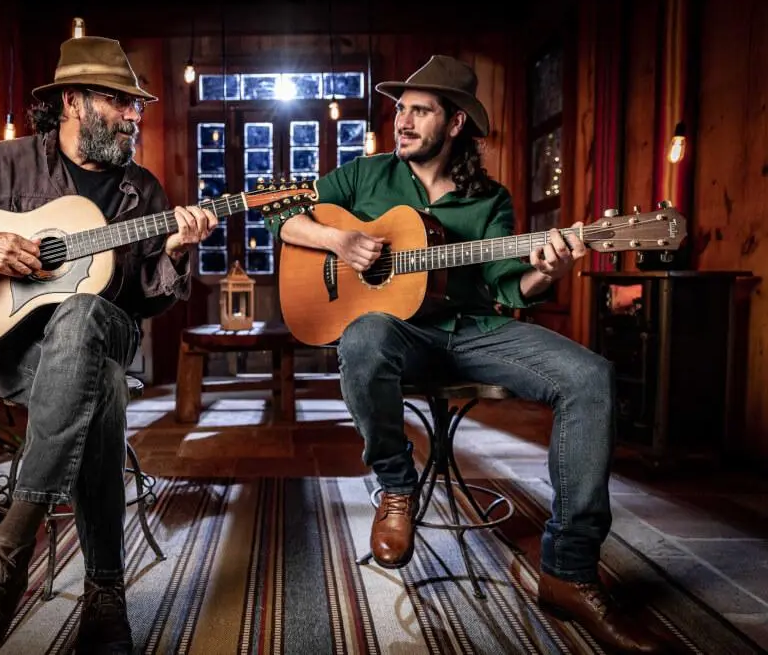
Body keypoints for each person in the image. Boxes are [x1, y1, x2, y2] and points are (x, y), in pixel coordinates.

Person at [268, 56, 663, 653]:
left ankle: (569, 570)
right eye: (400, 109)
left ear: (455, 124)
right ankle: (396, 488)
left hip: (472, 331)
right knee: (364, 334)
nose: (402, 121)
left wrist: (549, 270)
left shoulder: (489, 200)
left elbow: (510, 286)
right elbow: (281, 214)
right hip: (398, 336)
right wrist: (338, 239)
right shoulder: (365, 175)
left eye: (419, 111)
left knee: (590, 376)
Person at [0, 36, 217, 654]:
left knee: (84, 313)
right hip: (20, 356)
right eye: (120, 101)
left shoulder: (144, 191)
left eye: (137, 104)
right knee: (103, 388)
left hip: (108, 330)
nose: (135, 115)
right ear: (73, 101)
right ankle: (104, 593)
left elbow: (146, 301)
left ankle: (7, 555)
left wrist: (174, 254)